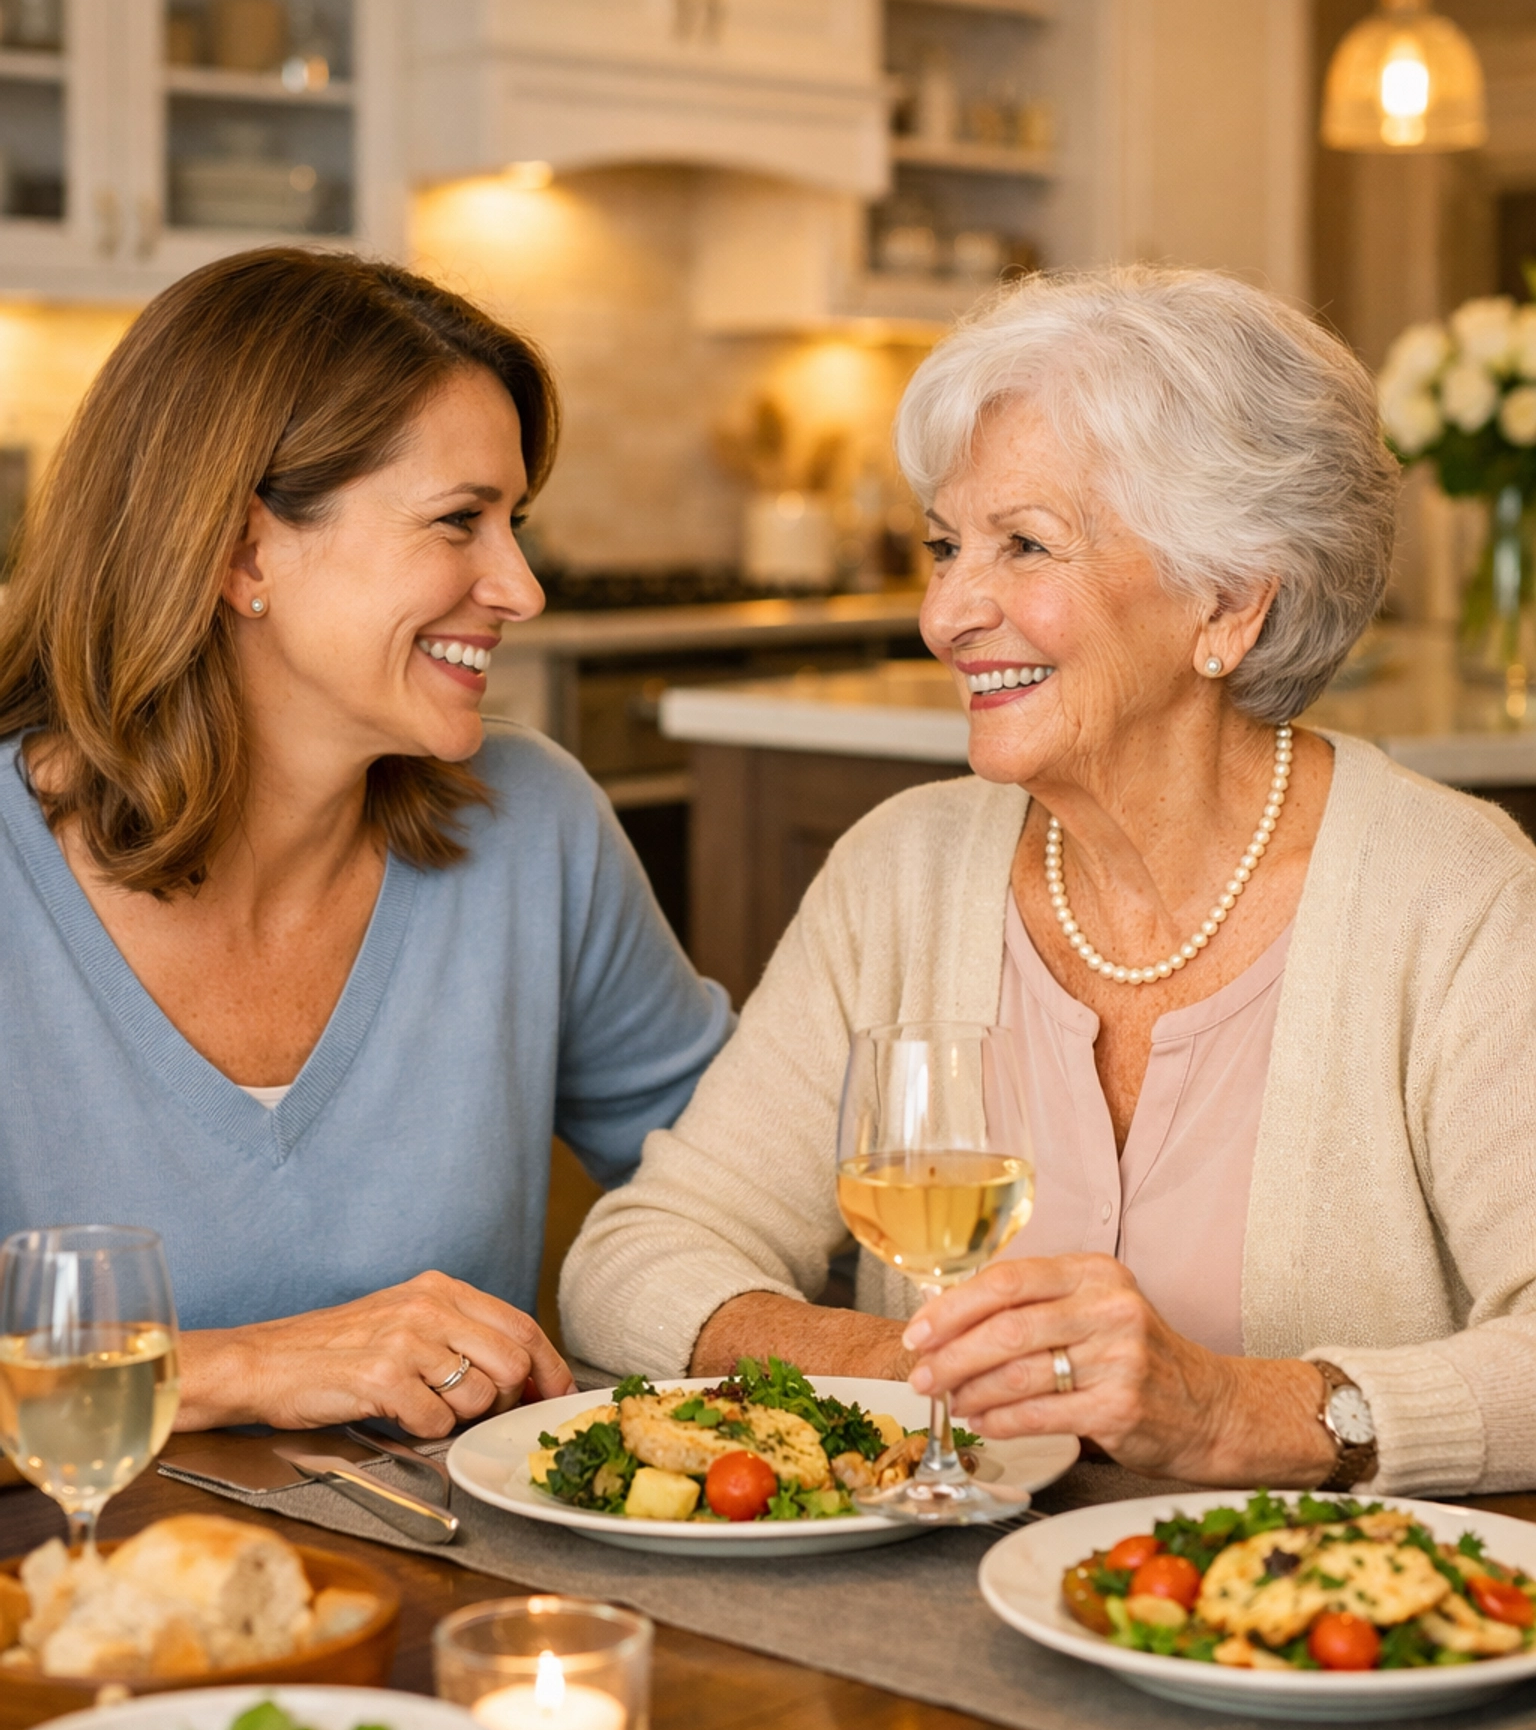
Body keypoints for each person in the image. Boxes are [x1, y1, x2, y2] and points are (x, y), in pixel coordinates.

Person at [561, 264, 1536, 1496]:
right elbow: (634, 1257)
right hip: (927, 1634)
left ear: (1228, 601)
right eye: (944, 546)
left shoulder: (1454, 901)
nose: (947, 613)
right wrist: (911, 1373)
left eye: (1024, 545)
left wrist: (1239, 1413)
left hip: (1298, 1648)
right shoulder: (898, 877)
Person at [0, 248, 732, 1435]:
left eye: (516, 523)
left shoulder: (533, 826)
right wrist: (239, 1368)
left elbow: (746, 1189)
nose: (521, 588)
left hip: (456, 1596)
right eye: (460, 522)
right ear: (244, 553)